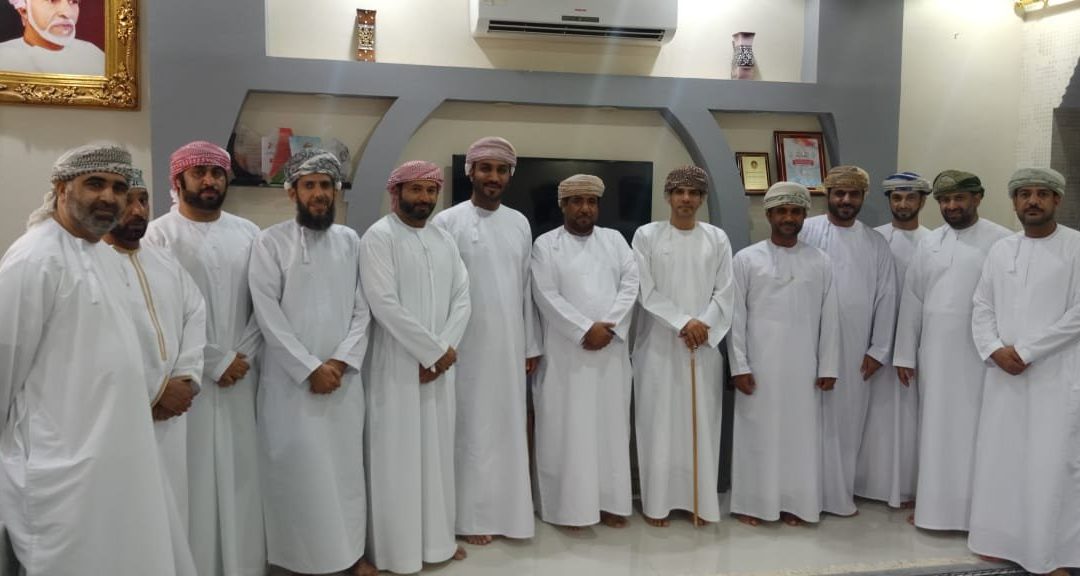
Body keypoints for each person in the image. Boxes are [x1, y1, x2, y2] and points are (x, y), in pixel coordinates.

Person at [0, 143, 183, 574]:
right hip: (60, 462)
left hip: (118, 453)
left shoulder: (104, 255)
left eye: (119, 188)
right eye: (95, 184)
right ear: (61, 189)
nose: (109, 197)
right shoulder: (34, 258)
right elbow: (6, 364)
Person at [249, 150, 375, 576]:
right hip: (290, 387)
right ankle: (294, 560)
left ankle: (349, 555)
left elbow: (363, 308)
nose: (319, 193)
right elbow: (268, 315)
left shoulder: (351, 241)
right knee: (295, 472)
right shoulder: (270, 242)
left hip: (343, 382)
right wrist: (309, 368)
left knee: (344, 472)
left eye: (325, 185)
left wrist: (338, 362)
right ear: (293, 192)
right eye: (309, 185)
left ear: (335, 191)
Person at [145, 141, 266, 576]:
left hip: (243, 374)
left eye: (217, 173)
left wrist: (242, 355)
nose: (209, 181)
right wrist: (216, 361)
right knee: (191, 474)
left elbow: (264, 304)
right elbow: (162, 311)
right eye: (199, 173)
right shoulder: (157, 235)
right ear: (178, 181)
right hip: (187, 377)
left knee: (242, 472)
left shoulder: (249, 233)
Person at [360, 160, 471, 574]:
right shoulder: (379, 236)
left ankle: (438, 540)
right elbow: (383, 302)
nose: (424, 198)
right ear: (397, 193)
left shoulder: (444, 239)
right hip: (396, 366)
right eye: (416, 189)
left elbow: (463, 297)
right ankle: (397, 551)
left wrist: (443, 351)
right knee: (398, 459)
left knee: (438, 455)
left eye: (430, 190)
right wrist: (430, 352)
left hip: (439, 367)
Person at [968, 167, 1080, 575]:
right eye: (1024, 194)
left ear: (1056, 200)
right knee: (1003, 458)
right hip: (1004, 376)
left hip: (1055, 375)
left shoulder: (1076, 246)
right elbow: (982, 306)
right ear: (1014, 202)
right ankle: (1000, 540)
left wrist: (1028, 351)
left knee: (1052, 463)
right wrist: (994, 349)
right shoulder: (1001, 250)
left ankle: (1052, 554)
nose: (1032, 201)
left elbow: (1077, 315)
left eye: (1041, 194)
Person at [430, 137, 541, 546]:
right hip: (462, 345)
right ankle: (469, 518)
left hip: (509, 344)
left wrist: (531, 345)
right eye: (486, 168)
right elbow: (438, 289)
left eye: (501, 170)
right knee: (469, 427)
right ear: (470, 172)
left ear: (510, 175)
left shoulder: (519, 223)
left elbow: (525, 288)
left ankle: (507, 514)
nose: (493, 177)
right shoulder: (447, 222)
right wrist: (439, 345)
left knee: (505, 426)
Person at [892, 170, 1010, 531]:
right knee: (935, 429)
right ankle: (934, 508)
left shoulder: (1002, 241)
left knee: (975, 431)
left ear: (978, 198)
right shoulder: (930, 242)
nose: (952, 205)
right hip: (935, 355)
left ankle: (977, 513)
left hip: (981, 356)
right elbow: (912, 299)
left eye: (959, 198)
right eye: (945, 200)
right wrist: (904, 354)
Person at [103, 168, 205, 576]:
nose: (137, 210)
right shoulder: (91, 264)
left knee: (171, 513)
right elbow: (97, 344)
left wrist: (185, 378)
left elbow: (195, 313)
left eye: (142, 200)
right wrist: (154, 390)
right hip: (122, 420)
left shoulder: (163, 260)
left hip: (171, 417)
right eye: (127, 200)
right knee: (125, 518)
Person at [728, 181, 840, 527]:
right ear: (769, 215)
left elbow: (830, 318)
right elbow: (735, 318)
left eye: (795, 211)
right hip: (758, 365)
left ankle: (796, 504)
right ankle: (753, 504)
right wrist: (739, 366)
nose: (788, 218)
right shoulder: (746, 259)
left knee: (799, 438)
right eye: (781, 211)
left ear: (804, 215)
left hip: (804, 367)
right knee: (756, 434)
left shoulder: (820, 261)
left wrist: (828, 365)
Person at [531, 174, 639, 529]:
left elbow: (631, 284)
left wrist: (608, 326)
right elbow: (545, 294)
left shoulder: (615, 241)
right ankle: (568, 509)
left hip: (610, 353)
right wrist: (583, 329)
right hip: (566, 356)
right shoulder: (546, 245)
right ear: (563, 205)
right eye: (576, 201)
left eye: (591, 202)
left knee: (610, 430)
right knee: (567, 431)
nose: (584, 208)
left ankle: (610, 504)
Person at [632, 166, 734, 527]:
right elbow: (644, 290)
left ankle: (699, 502)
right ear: (668, 196)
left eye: (693, 193)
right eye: (679, 192)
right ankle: (657, 505)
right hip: (658, 347)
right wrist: (683, 322)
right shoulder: (646, 236)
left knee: (702, 423)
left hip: (703, 347)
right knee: (657, 424)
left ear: (702, 199)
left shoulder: (717, 238)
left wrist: (702, 324)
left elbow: (726, 291)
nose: (686, 199)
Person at [799, 165, 896, 517]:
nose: (846, 200)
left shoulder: (875, 243)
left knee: (845, 421)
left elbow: (887, 297)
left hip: (855, 348)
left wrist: (878, 349)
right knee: (805, 420)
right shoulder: (805, 231)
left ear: (863, 197)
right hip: (805, 343)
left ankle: (838, 496)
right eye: (839, 193)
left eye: (853, 194)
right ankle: (801, 496)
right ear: (827, 194)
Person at [855, 171, 931, 509]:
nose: (903, 204)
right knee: (876, 414)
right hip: (875, 345)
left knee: (911, 416)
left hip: (917, 346)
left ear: (922, 201)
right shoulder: (874, 239)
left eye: (910, 197)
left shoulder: (932, 242)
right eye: (897, 198)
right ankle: (869, 483)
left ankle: (908, 486)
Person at [0, 0, 104, 75]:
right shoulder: (4, 58)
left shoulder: (93, 56)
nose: (68, 13)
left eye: (74, 1)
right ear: (24, 10)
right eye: (52, 1)